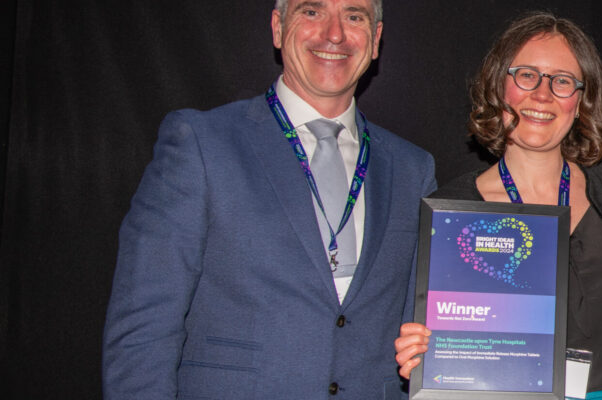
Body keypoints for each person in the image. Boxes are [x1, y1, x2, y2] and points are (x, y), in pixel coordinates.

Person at [101, 0, 436, 398]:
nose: (334, 33)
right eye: (311, 12)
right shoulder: (201, 144)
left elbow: (418, 328)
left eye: (354, 16)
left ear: (376, 39)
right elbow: (144, 326)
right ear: (278, 28)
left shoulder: (413, 169)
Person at [393, 12, 602, 400]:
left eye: (562, 81)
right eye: (527, 75)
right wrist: (422, 350)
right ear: (499, 87)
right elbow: (451, 334)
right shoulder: (454, 211)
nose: (543, 94)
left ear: (581, 101)